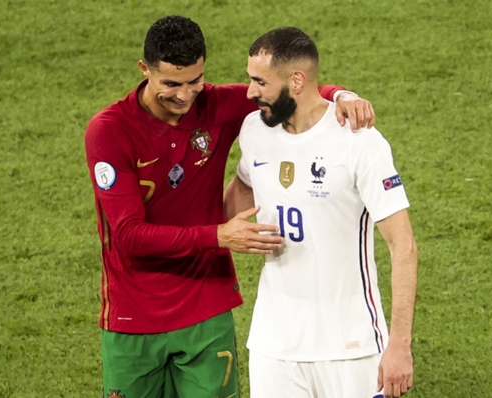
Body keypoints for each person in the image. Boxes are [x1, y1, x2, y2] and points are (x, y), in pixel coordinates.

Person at [84, 16, 376, 398]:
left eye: (195, 80)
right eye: (172, 83)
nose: (186, 96)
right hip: (133, 315)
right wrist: (219, 235)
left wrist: (342, 96)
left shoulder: (216, 106)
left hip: (207, 307)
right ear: (145, 70)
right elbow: (128, 237)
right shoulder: (110, 131)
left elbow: (291, 89)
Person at [224, 27, 418, 398]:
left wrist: (399, 346)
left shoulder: (358, 141)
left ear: (296, 81)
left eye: (259, 82)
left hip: (349, 347)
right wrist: (233, 227)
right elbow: (246, 183)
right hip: (273, 345)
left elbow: (404, 246)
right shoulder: (254, 130)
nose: (250, 92)